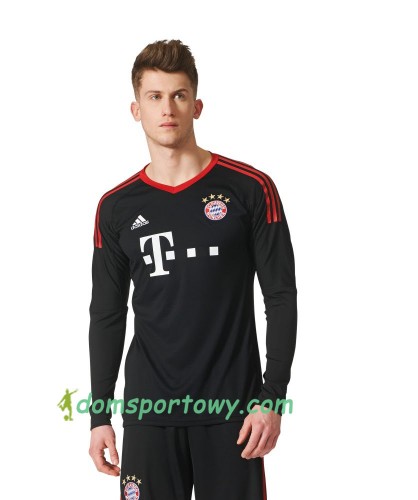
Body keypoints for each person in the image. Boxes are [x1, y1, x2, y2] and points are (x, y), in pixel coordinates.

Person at [88, 39, 297, 500]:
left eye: (179, 95)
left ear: (197, 105)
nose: (168, 109)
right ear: (136, 109)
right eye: (155, 96)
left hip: (233, 413)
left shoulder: (249, 189)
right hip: (149, 412)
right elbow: (106, 314)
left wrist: (273, 398)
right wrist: (99, 415)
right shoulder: (116, 208)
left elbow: (281, 296)